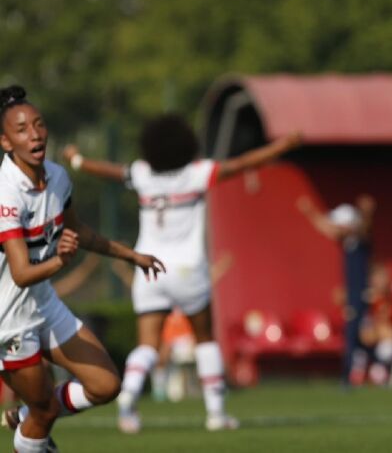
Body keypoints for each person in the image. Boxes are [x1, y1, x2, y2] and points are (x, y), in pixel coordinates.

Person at [63, 115, 301, 433]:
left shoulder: (143, 174)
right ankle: (216, 413)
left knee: (147, 344)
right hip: (189, 269)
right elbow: (243, 163)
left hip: (149, 267)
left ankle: (129, 398)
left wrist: (77, 159)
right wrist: (282, 145)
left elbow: (109, 171)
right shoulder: (197, 174)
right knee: (204, 341)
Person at [0, 85, 165, 452]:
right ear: (6, 142)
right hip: (7, 319)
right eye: (22, 129)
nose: (35, 134)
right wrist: (60, 259)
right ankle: (33, 422)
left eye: (39, 125)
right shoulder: (6, 193)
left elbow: (78, 232)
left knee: (106, 385)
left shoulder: (57, 176)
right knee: (43, 413)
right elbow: (22, 272)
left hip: (42, 303)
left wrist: (130, 255)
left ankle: (28, 415)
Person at [297, 194, 375, 388]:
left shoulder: (360, 239)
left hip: (362, 294)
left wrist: (367, 213)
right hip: (353, 294)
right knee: (354, 334)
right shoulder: (348, 242)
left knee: (354, 334)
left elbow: (363, 229)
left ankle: (349, 377)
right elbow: (327, 227)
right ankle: (376, 367)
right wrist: (310, 212)